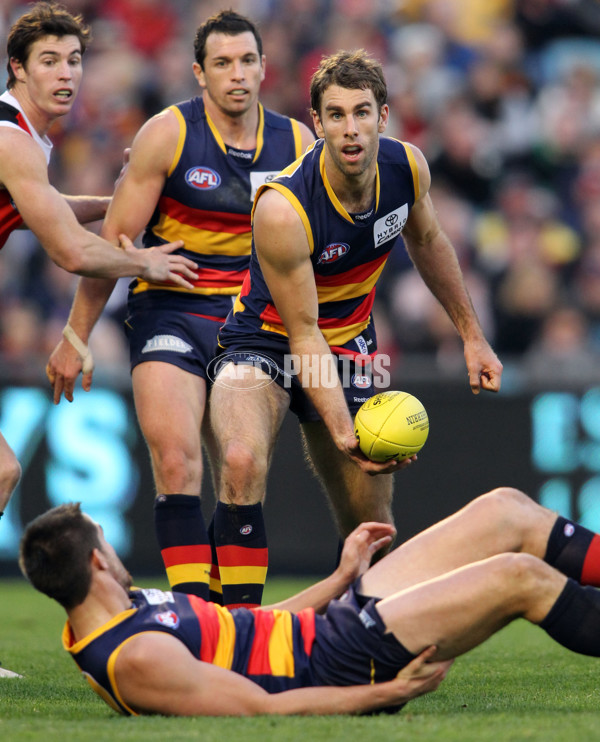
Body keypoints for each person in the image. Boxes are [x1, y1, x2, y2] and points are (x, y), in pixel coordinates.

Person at [208, 49, 503, 605]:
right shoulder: (282, 208)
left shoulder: (407, 168)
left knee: (371, 519)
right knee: (241, 461)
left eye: (362, 113)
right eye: (336, 115)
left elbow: (429, 241)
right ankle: (237, 634)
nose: (351, 129)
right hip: (263, 340)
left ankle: (368, 638)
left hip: (349, 344)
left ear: (383, 116)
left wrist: (471, 334)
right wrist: (343, 427)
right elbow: (302, 334)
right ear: (316, 123)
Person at [45, 10, 314, 605]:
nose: (237, 75)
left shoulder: (298, 144)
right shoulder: (166, 135)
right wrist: (75, 334)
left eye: (247, 61)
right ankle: (195, 623)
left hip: (252, 326)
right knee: (175, 461)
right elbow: (112, 244)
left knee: (241, 468)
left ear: (265, 68)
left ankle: (239, 627)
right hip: (171, 311)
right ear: (200, 72)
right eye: (222, 63)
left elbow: (320, 254)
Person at [19, 486, 600, 717]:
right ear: (96, 562)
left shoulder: (122, 610)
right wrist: (386, 693)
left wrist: (341, 577)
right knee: (519, 576)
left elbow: (248, 629)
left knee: (504, 511)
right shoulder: (135, 658)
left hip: (333, 628)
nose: (113, 546)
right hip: (342, 658)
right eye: (104, 537)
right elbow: (260, 708)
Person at [0, 2, 198, 523]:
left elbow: (39, 209)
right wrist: (144, 265)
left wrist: (118, 204)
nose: (66, 72)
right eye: (48, 60)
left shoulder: (22, 138)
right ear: (17, 67)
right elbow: (69, 251)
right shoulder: (11, 141)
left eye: (74, 59)